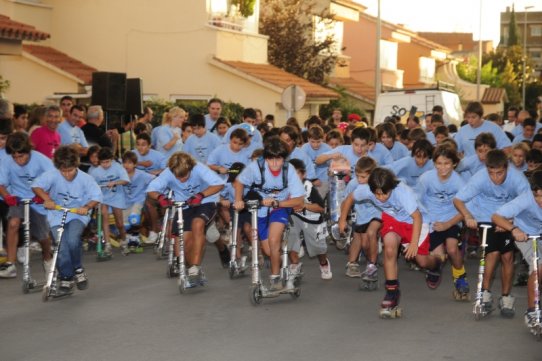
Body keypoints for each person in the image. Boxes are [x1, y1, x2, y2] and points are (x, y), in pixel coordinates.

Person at [342, 167, 442, 315]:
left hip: (414, 222)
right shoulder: (368, 189)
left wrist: (414, 244)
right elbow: (350, 197)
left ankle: (436, 265)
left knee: (421, 261)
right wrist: (342, 220)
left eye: (385, 194)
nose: (381, 197)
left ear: (391, 188)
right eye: (377, 194)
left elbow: (417, 217)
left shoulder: (402, 192)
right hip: (392, 218)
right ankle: (392, 292)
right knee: (389, 249)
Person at [454, 149, 530, 317]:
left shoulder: (517, 178)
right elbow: (458, 199)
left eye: (499, 173)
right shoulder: (480, 177)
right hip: (486, 218)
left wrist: (510, 221)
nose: (495, 177)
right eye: (491, 173)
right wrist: (467, 216)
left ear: (506, 168)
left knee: (508, 257)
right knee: (492, 254)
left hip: (509, 218)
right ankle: (485, 295)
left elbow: (527, 202)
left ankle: (506, 297)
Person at [233, 137, 304, 291]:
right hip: (260, 209)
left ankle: (275, 278)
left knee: (273, 241)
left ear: (284, 159)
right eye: (270, 159)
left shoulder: (288, 170)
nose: (274, 163)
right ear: (265, 158)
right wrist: (238, 199)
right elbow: (240, 181)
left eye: (278, 159)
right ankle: (287, 267)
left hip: (280, 207)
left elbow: (299, 199)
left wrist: (278, 203)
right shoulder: (256, 167)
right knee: (268, 251)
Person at [32, 146, 101, 293]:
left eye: (70, 170)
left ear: (76, 165)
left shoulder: (86, 179)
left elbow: (96, 196)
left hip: (77, 214)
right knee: (61, 247)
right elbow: (36, 186)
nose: (67, 174)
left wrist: (87, 207)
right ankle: (66, 277)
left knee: (73, 240)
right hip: (57, 214)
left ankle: (78, 269)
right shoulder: (52, 174)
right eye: (63, 171)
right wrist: (47, 198)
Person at [147, 152, 225, 281]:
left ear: (190, 168)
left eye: (184, 176)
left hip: (206, 201)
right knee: (185, 240)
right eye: (178, 177)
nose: (181, 180)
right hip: (185, 205)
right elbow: (151, 189)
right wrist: (160, 197)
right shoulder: (168, 172)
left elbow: (219, 184)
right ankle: (188, 265)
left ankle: (195, 267)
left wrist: (200, 195)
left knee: (197, 224)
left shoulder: (198, 168)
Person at [417, 145, 469, 299]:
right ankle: (436, 267)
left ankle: (460, 278)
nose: (442, 167)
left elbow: (465, 210)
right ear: (434, 164)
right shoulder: (426, 178)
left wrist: (448, 224)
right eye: (439, 163)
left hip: (452, 219)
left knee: (452, 250)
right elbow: (417, 203)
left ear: (454, 164)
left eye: (446, 163)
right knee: (437, 257)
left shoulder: (459, 182)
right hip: (432, 221)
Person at [492, 170, 542, 330]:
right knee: (538, 269)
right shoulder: (525, 199)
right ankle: (532, 312)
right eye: (537, 196)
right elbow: (496, 216)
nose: (540, 200)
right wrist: (513, 229)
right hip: (527, 236)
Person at [0, 133, 55, 278]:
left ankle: (47, 258)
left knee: (42, 236)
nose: (18, 160)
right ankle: (10, 265)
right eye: (15, 157)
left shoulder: (41, 160)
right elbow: (1, 183)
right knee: (13, 223)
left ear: (29, 151)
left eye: (21, 156)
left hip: (38, 200)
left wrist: (43, 195)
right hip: (18, 198)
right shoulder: (6, 161)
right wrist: (7, 196)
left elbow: (54, 180)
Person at [286, 159, 331, 281]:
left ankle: (323, 263)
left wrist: (304, 206)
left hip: (313, 219)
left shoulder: (308, 186)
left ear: (303, 174)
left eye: (296, 174)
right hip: (294, 216)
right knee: (290, 239)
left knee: (318, 248)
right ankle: (295, 264)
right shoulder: (284, 186)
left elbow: (321, 208)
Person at [339, 157, 381, 279]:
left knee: (371, 233)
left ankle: (372, 265)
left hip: (377, 215)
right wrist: (342, 219)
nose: (360, 179)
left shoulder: (379, 182)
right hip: (361, 216)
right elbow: (345, 202)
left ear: (372, 175)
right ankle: (353, 263)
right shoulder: (353, 184)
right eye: (358, 176)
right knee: (362, 242)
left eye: (363, 177)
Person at [90, 147, 130, 252]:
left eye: (107, 162)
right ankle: (107, 243)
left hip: (117, 196)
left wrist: (115, 183)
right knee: (104, 218)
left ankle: (124, 240)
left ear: (111, 159)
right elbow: (91, 185)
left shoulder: (118, 167)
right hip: (103, 197)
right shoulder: (95, 172)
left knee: (120, 223)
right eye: (102, 162)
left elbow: (126, 180)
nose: (105, 164)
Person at [121, 151, 155, 245]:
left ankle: (135, 236)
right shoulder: (120, 175)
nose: (126, 165)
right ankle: (129, 237)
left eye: (130, 163)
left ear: (135, 164)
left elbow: (155, 179)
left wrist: (150, 190)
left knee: (134, 219)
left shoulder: (141, 175)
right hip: (125, 202)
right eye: (125, 162)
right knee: (125, 225)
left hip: (138, 200)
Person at [301, 126, 332, 198]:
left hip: (323, 178)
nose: (315, 144)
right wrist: (312, 179)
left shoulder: (327, 148)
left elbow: (332, 163)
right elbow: (303, 166)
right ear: (308, 139)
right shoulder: (304, 148)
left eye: (318, 142)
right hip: (308, 178)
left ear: (322, 139)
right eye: (312, 142)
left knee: (319, 196)